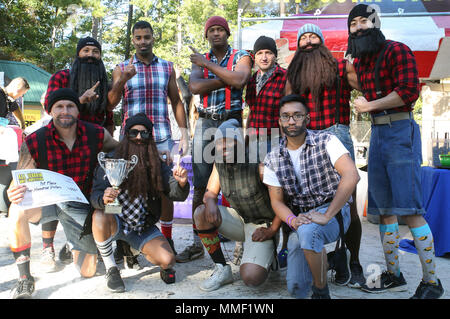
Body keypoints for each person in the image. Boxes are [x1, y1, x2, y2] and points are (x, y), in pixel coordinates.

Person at [347, 4, 444, 298]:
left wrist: (369, 105)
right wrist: (351, 71)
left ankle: (432, 283)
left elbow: (408, 91)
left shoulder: (397, 50)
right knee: (383, 211)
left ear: (376, 23)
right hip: (377, 134)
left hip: (401, 130)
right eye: (354, 24)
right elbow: (362, 85)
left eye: (364, 21)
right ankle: (393, 274)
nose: (359, 27)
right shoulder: (362, 62)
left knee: (411, 211)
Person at [6, 88, 118, 299]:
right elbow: (20, 177)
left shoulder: (97, 134)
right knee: (17, 208)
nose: (65, 110)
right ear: (50, 110)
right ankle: (24, 279)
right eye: (59, 106)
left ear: (78, 110)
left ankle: (71, 244)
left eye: (70, 106)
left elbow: (121, 150)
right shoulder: (34, 140)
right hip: (47, 202)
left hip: (78, 205)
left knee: (88, 271)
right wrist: (14, 190)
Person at [285, 23, 364, 288]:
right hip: (305, 140)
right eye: (302, 38)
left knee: (348, 205)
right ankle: (312, 256)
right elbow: (287, 110)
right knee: (304, 202)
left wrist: (359, 61)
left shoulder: (341, 66)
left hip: (336, 134)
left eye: (312, 36)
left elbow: (365, 86)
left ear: (322, 40)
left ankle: (352, 260)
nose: (307, 41)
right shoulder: (293, 74)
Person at [263, 94, 359, 299]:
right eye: (286, 116)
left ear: (307, 119)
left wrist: (327, 215)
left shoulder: (327, 140)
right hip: (302, 216)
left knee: (309, 232)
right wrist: (292, 220)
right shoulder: (272, 157)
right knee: (297, 289)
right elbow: (276, 201)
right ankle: (333, 260)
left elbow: (351, 176)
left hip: (334, 211)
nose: (291, 121)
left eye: (297, 115)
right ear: (279, 121)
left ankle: (321, 291)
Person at [108, 21, 189, 262]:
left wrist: (184, 133)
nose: (142, 41)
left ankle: (166, 236)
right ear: (133, 40)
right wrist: (122, 79)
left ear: (153, 38)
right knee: (124, 190)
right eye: (138, 37)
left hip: (161, 138)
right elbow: (110, 104)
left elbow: (176, 101)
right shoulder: (120, 67)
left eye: (146, 37)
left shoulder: (167, 67)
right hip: (130, 141)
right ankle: (125, 242)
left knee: (165, 189)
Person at [90, 113, 189, 292]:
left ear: (150, 137)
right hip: (116, 219)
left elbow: (175, 193)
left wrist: (181, 183)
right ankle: (111, 268)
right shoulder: (110, 159)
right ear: (125, 135)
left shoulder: (157, 163)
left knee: (168, 260)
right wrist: (102, 198)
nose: (138, 137)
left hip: (142, 225)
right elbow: (95, 194)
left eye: (144, 134)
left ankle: (131, 247)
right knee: (99, 215)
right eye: (133, 133)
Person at [42, 37, 117, 267]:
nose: (91, 55)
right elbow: (49, 106)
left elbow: (108, 117)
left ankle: (85, 241)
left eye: (96, 51)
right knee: (54, 193)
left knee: (90, 198)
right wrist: (80, 99)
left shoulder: (103, 82)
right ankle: (48, 247)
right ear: (77, 54)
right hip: (61, 146)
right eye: (86, 50)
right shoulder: (62, 77)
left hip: (91, 150)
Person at [186, 15, 252, 263]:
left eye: (220, 29)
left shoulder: (241, 55)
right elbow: (194, 87)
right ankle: (198, 240)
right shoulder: (199, 58)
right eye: (211, 30)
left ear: (227, 33)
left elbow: (241, 79)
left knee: (234, 181)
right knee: (201, 184)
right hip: (204, 121)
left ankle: (240, 242)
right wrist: (225, 77)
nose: (215, 33)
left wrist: (208, 68)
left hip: (231, 120)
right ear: (206, 34)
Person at [193, 119, 281, 291]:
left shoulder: (259, 164)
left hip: (263, 225)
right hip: (239, 220)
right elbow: (210, 193)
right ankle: (221, 268)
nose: (223, 146)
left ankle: (269, 256)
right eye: (219, 142)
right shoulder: (219, 163)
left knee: (251, 277)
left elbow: (282, 202)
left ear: (240, 143)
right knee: (201, 213)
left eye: (228, 141)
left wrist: (272, 230)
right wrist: (210, 202)